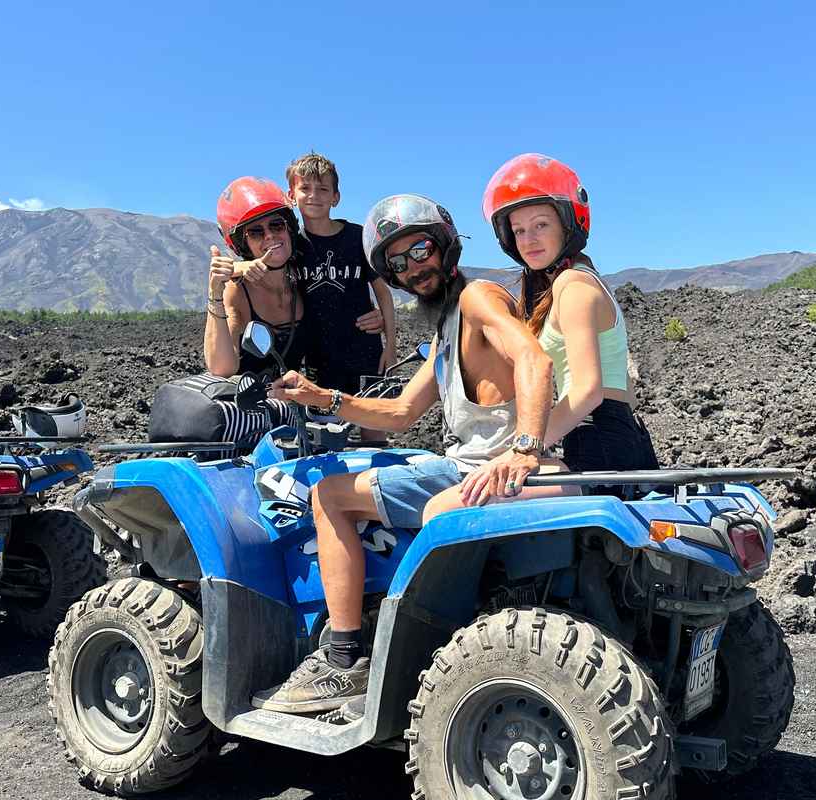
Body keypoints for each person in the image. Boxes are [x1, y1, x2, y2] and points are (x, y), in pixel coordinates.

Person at [251, 194, 558, 713]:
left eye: (419, 250)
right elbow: (398, 414)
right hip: (470, 461)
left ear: (444, 246)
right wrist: (321, 397)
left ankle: (342, 658)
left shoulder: (479, 298)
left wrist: (525, 449)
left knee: (329, 497)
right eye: (397, 262)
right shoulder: (447, 327)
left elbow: (534, 360)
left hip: (482, 466)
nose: (413, 268)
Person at [427, 153, 658, 517]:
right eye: (519, 230)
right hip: (594, 442)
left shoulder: (575, 286)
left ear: (568, 225)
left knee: (443, 510)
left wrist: (524, 449)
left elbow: (587, 391)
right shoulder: (560, 286)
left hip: (601, 448)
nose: (529, 239)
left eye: (540, 225)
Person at [286, 153, 397, 441]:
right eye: (305, 188)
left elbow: (383, 293)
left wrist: (390, 344)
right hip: (318, 358)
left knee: (375, 437)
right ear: (291, 195)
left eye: (323, 189)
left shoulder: (357, 237)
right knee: (326, 441)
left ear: (336, 197)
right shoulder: (291, 247)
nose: (314, 196)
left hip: (365, 352)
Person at [205, 176, 308, 377]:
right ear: (243, 245)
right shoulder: (238, 291)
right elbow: (221, 368)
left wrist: (377, 318)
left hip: (299, 401)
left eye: (277, 225)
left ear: (290, 228)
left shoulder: (305, 274)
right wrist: (215, 292)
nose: (269, 235)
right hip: (251, 405)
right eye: (255, 232)